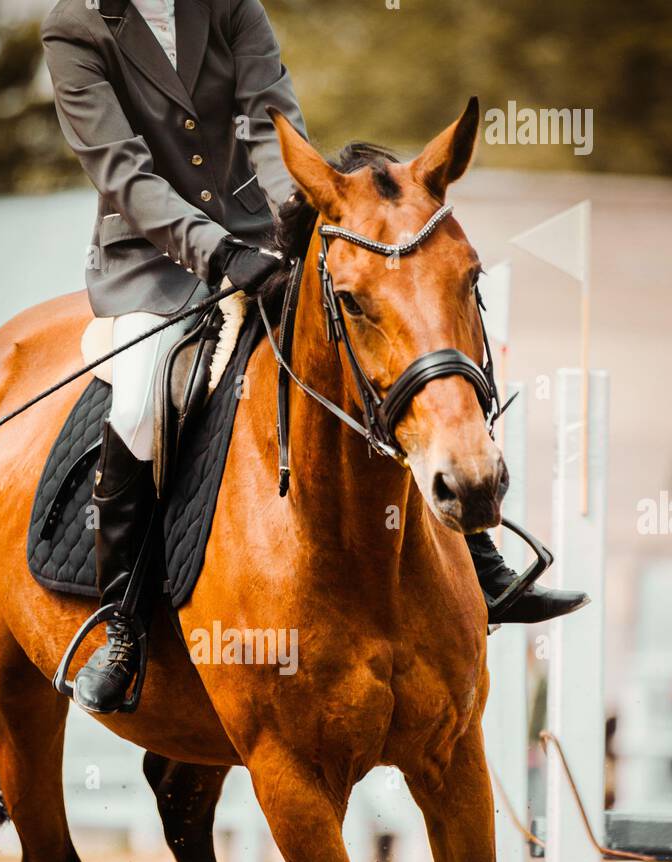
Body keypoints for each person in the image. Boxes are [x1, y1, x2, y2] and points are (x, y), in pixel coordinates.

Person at [43, 0, 587, 715]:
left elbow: (276, 127)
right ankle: (121, 627)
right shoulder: (76, 26)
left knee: (373, 359)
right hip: (153, 260)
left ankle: (484, 567)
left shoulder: (231, 8)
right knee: (142, 400)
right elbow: (124, 173)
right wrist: (214, 252)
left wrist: (305, 219)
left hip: (267, 238)